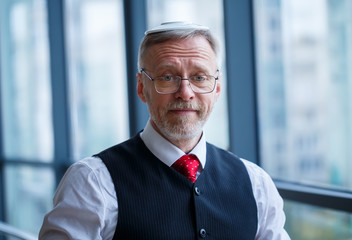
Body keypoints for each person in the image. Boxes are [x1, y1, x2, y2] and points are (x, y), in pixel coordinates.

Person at [39, 21, 290, 239]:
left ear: (217, 88)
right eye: (167, 77)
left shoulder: (256, 184)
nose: (185, 92)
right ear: (141, 88)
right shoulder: (91, 182)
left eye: (200, 77)